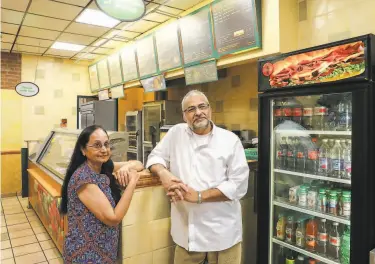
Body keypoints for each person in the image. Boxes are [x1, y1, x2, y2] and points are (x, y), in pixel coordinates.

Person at [146, 90, 249, 264]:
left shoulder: (230, 141)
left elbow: (238, 185)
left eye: (202, 106)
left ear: (210, 110)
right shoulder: (176, 134)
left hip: (222, 234)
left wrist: (199, 196)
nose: (198, 112)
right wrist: (164, 174)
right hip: (187, 233)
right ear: (184, 115)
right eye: (191, 109)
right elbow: (154, 157)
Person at [60, 125, 144, 264]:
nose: (104, 150)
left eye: (106, 144)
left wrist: (126, 168)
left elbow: (138, 164)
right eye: (97, 145)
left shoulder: (103, 166)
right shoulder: (84, 179)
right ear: (83, 150)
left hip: (103, 251)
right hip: (86, 255)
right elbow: (113, 218)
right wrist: (132, 182)